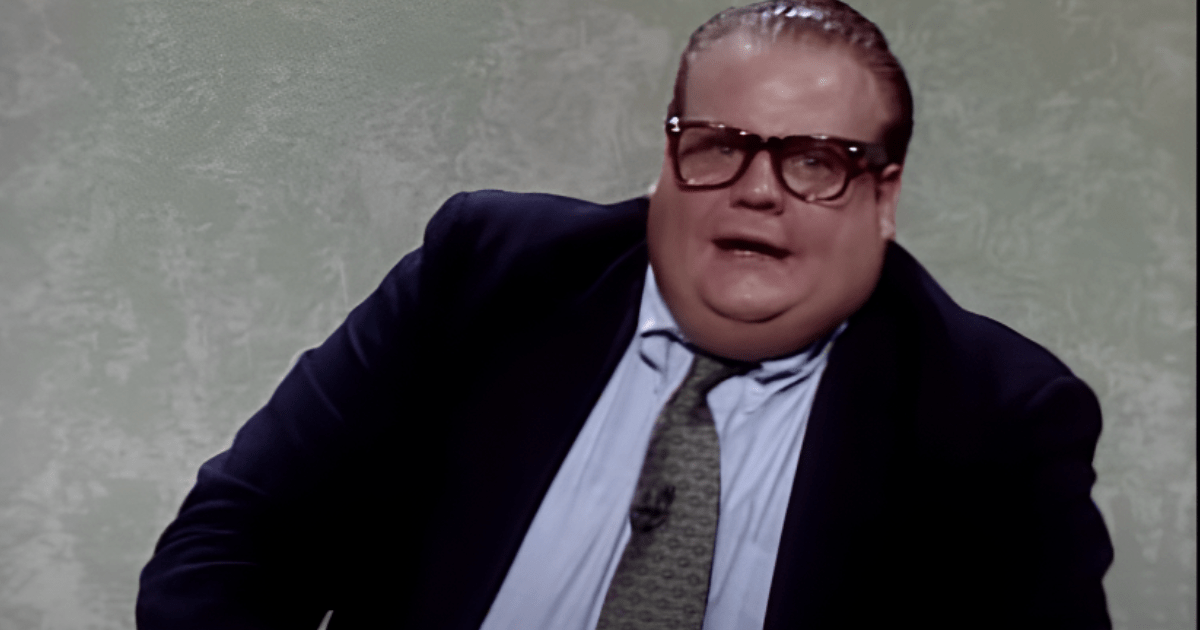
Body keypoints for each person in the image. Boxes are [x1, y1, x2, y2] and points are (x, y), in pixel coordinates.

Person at [137, 1, 1114, 628]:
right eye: (719, 145)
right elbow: (234, 542)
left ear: (884, 199)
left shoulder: (998, 417)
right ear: (668, 161)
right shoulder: (487, 275)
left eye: (816, 161)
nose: (757, 190)